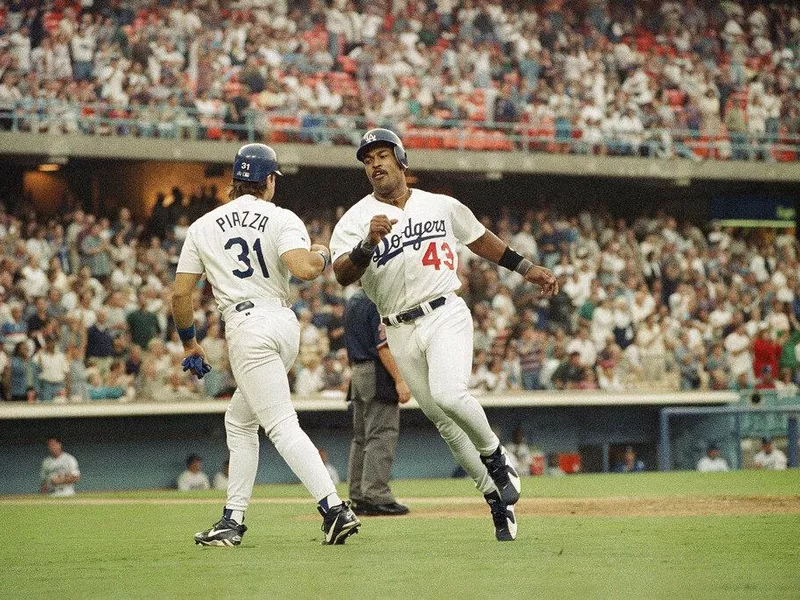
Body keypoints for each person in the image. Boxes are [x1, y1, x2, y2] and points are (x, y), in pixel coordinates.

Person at [330, 128, 558, 541]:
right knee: (441, 418)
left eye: (382, 154)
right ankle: (494, 500)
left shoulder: (440, 204)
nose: (375, 164)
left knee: (451, 394)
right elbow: (343, 273)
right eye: (368, 159)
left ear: (401, 159)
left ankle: (496, 456)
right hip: (397, 325)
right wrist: (367, 244)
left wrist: (527, 269)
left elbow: (480, 240)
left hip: (443, 310)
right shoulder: (355, 219)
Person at [172, 143, 360, 547]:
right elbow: (305, 269)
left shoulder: (203, 225)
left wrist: (190, 343)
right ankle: (232, 519)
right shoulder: (282, 217)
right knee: (239, 420)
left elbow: (180, 295)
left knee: (280, 425)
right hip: (282, 323)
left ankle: (333, 508)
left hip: (246, 325)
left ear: (236, 182)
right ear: (269, 181)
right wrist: (324, 250)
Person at [344, 287, 411, 516]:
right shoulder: (378, 300)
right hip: (377, 372)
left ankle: (358, 494)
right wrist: (400, 380)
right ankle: (376, 494)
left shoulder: (353, 300)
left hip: (358, 371)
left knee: (361, 438)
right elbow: (383, 346)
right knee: (381, 435)